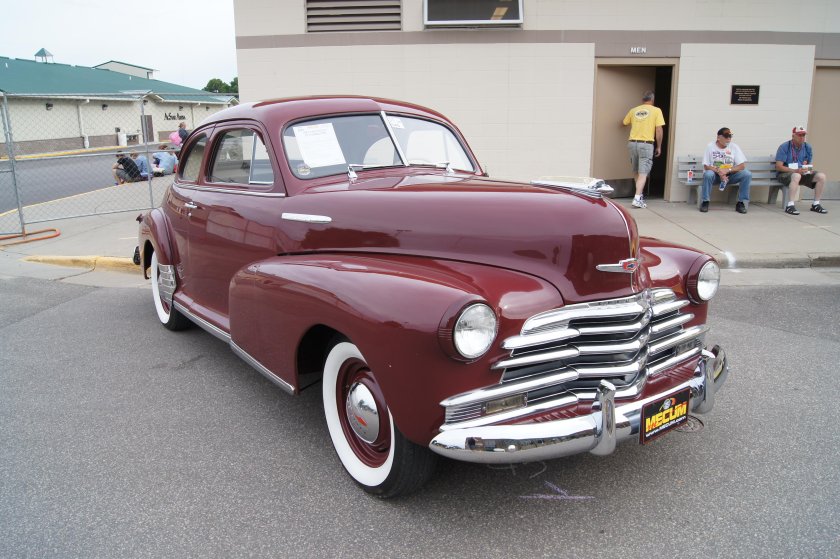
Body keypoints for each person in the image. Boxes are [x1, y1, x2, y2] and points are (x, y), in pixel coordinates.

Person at [622, 90, 665, 209]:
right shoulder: (656, 110)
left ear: (642, 100)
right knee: (643, 173)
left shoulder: (633, 110)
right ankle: (637, 198)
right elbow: (659, 129)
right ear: (652, 99)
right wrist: (659, 146)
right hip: (646, 145)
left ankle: (639, 196)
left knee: (636, 171)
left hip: (632, 143)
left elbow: (624, 122)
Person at [775, 126, 829, 215]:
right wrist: (795, 170)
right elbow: (778, 167)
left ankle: (816, 204)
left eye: (803, 135)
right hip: (785, 174)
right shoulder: (784, 147)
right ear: (793, 136)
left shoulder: (807, 147)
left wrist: (809, 170)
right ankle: (790, 205)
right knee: (796, 176)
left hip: (802, 173)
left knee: (821, 176)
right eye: (799, 135)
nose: (802, 137)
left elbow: (808, 164)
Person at [699, 127, 752, 214]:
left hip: (730, 176)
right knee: (708, 174)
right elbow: (706, 166)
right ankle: (705, 202)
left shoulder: (734, 147)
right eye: (726, 136)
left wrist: (728, 170)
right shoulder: (710, 146)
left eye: (730, 136)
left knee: (747, 174)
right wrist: (720, 172)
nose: (728, 139)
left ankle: (741, 203)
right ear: (718, 137)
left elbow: (742, 166)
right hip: (715, 176)